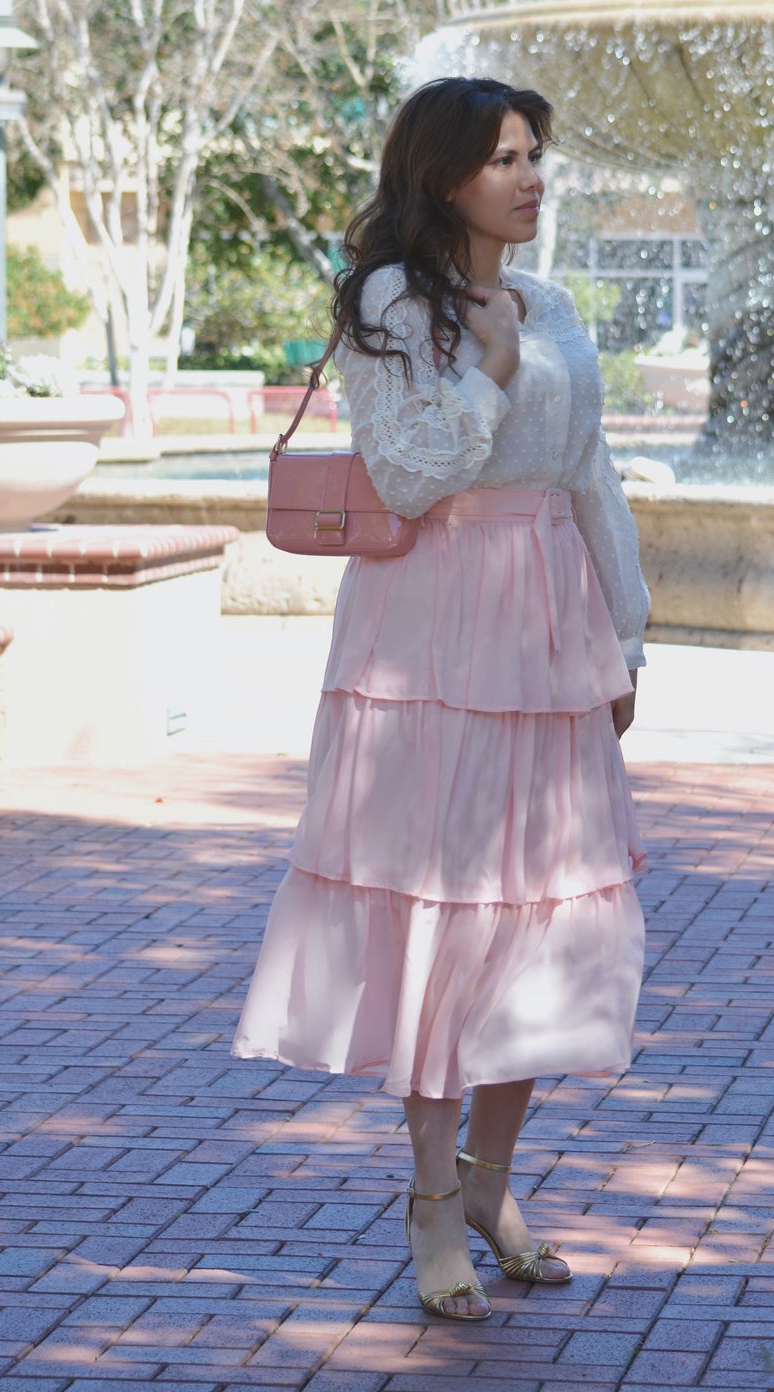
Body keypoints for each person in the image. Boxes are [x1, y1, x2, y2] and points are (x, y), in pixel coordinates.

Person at [234, 76, 650, 1322]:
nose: (530, 178)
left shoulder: (551, 301)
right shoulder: (388, 302)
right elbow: (409, 474)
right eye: (504, 159)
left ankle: (490, 1181)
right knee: (445, 906)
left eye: (535, 156)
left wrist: (626, 636)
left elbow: (590, 477)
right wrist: (492, 370)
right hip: (432, 632)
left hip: (550, 626)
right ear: (443, 174)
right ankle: (429, 1195)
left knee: (545, 912)